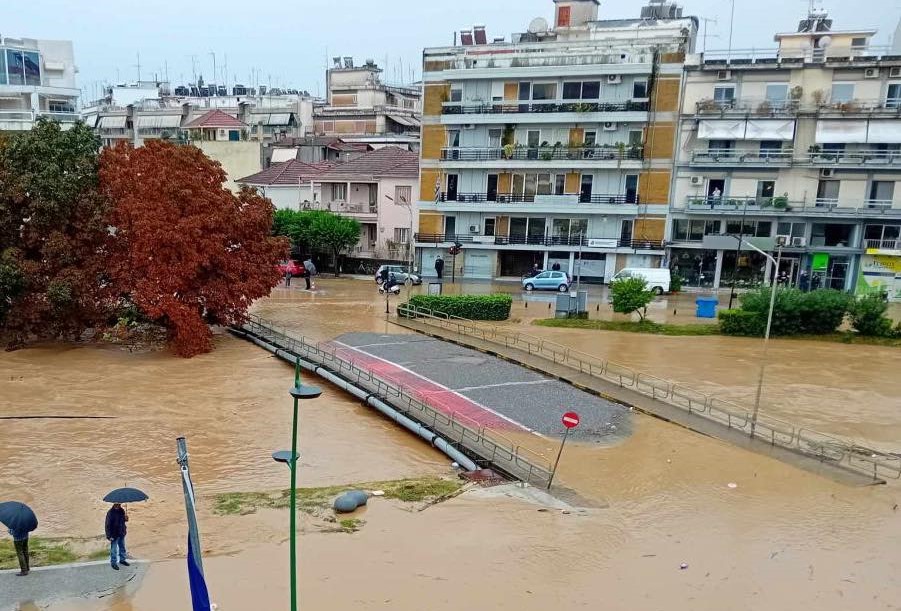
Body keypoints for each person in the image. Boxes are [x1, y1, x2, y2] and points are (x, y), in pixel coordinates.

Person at [105, 503, 129, 570]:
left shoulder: (122, 510)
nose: (118, 504)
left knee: (122, 547)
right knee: (114, 550)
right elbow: (107, 525)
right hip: (114, 534)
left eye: (119, 503)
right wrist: (109, 536)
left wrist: (126, 519)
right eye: (117, 503)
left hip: (121, 532)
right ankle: (113, 563)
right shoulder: (110, 513)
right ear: (114, 504)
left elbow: (123, 521)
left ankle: (122, 560)